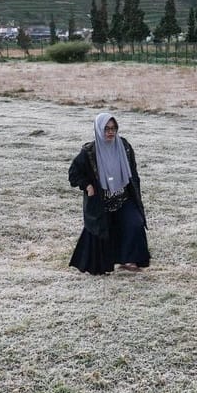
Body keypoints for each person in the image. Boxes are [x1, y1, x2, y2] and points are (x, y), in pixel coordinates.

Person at [68, 113, 150, 275]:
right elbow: (74, 173)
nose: (110, 132)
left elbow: (132, 170)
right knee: (101, 232)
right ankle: (99, 265)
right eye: (106, 129)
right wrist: (88, 186)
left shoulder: (124, 146)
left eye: (113, 128)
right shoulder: (89, 152)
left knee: (135, 223)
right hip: (101, 201)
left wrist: (135, 188)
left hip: (124, 197)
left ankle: (130, 260)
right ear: (99, 129)